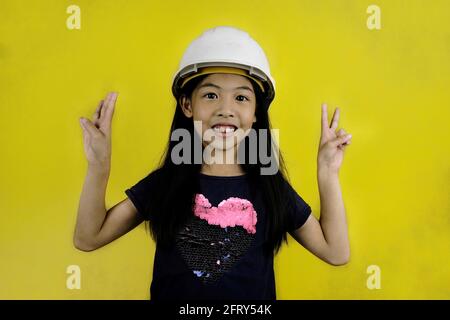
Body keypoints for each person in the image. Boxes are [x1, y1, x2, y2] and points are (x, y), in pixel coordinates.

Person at [74, 26, 352, 300]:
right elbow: (88, 238)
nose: (225, 109)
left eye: (241, 97)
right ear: (187, 105)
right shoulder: (165, 184)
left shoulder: (269, 186)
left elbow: (335, 252)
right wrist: (99, 166)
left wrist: (327, 173)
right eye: (211, 95)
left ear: (256, 112)